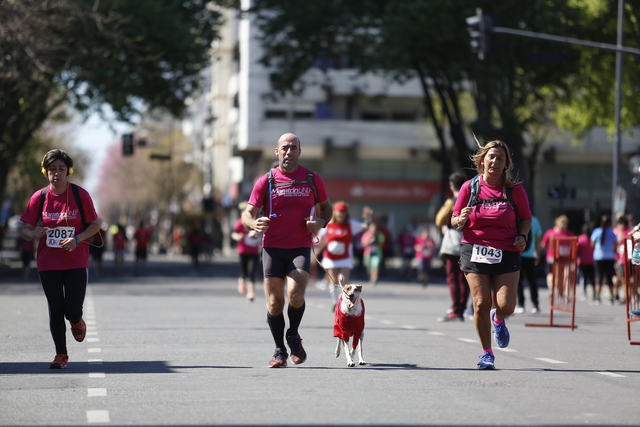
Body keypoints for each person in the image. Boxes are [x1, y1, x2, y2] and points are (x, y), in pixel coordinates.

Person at [241, 133, 332, 368]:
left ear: (299, 152)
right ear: (277, 152)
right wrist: (253, 223)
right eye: (285, 148)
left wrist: (321, 223)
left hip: (299, 247)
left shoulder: (312, 179)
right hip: (272, 248)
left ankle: (293, 334)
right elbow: (247, 213)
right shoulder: (267, 180)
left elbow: (326, 208)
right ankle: (279, 350)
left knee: (296, 294)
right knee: (274, 303)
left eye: (294, 148)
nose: (289, 152)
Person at [451, 139, 531, 370]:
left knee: (507, 306)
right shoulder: (469, 187)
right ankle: (487, 353)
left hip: (507, 250)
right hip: (474, 249)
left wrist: (523, 236)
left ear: (506, 164)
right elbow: (454, 219)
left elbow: (526, 218)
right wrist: (461, 219)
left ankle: (498, 319)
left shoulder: (515, 190)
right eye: (491, 157)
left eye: (501, 158)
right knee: (480, 303)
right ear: (482, 160)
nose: (495, 161)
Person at [19, 149, 100, 369]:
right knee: (55, 308)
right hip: (48, 262)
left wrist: (78, 238)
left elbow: (95, 224)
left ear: (68, 171)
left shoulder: (79, 195)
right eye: (52, 169)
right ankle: (60, 354)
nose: (57, 173)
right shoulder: (40, 197)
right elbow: (25, 229)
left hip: (76, 261)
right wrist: (31, 232)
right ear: (45, 172)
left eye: (61, 169)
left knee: (71, 309)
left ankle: (76, 320)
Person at [315, 202, 372, 309]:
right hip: (331, 257)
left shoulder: (350, 224)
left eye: (343, 212)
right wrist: (316, 246)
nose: (341, 214)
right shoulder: (329, 224)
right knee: (334, 281)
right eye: (339, 212)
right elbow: (320, 237)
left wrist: (368, 219)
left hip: (345, 257)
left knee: (344, 281)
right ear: (335, 213)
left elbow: (365, 227)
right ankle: (335, 302)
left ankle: (343, 301)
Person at [435, 172, 469, 322]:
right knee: (464, 278)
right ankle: (462, 309)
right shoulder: (471, 200)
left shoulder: (451, 201)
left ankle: (455, 309)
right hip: (469, 242)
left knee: (453, 277)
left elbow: (439, 220)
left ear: (452, 185)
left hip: (453, 243)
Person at [232, 202, 261, 302]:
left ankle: (251, 293)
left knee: (252, 272)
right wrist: (238, 237)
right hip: (243, 251)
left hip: (254, 251)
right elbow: (234, 233)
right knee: (244, 271)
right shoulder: (240, 222)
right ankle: (241, 280)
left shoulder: (257, 221)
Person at [515, 214, 542, 314]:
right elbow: (538, 238)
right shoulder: (534, 220)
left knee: (519, 281)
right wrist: (538, 253)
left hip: (518, 254)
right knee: (532, 281)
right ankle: (535, 305)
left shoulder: (517, 218)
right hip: (531, 255)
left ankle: (521, 304)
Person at [541, 215, 574, 290]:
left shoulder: (569, 233)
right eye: (563, 223)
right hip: (553, 257)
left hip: (566, 259)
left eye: (566, 223)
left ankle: (563, 292)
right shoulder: (550, 232)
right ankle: (552, 288)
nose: (565, 225)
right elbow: (543, 244)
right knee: (553, 274)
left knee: (565, 276)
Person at [590, 215, 618, 305]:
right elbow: (616, 244)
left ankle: (597, 297)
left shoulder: (596, 231)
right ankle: (611, 297)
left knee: (599, 277)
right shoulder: (611, 232)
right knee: (609, 278)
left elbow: (592, 244)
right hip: (609, 257)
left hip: (599, 257)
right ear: (609, 223)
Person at [577, 223, 596, 301]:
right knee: (591, 279)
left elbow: (577, 250)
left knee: (583, 278)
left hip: (583, 261)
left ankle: (584, 293)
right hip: (591, 261)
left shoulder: (580, 238)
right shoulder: (592, 238)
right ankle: (594, 294)